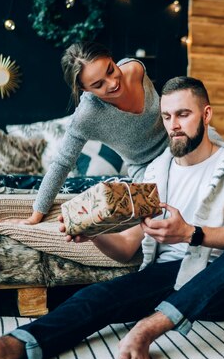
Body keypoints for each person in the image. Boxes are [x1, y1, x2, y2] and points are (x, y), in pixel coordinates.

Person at [0, 76, 224, 359]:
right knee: (96, 295)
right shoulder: (158, 171)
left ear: (206, 115)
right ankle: (1, 350)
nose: (173, 126)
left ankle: (148, 328)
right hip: (169, 277)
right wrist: (92, 233)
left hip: (220, 280)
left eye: (184, 115)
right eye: (166, 116)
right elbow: (130, 247)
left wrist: (191, 234)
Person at [19, 41, 169, 225]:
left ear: (112, 59)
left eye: (111, 70)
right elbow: (61, 164)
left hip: (179, 141)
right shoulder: (86, 117)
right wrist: (36, 214)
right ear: (85, 89)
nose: (113, 83)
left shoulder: (135, 68)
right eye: (98, 84)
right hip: (147, 166)